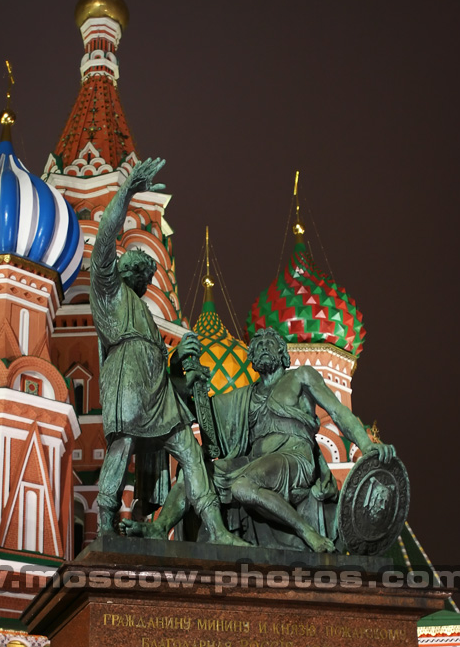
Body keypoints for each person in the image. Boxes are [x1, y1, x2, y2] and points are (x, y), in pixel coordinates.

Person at [123, 326, 396, 552]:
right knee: (194, 472)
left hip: (294, 458)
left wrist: (367, 444)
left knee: (243, 486)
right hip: (255, 461)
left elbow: (338, 412)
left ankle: (307, 532)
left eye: (269, 343)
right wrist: (178, 369)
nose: (263, 347)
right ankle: (159, 527)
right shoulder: (246, 396)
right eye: (257, 344)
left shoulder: (301, 377)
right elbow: (197, 413)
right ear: (251, 358)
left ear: (283, 353)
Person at [90, 156, 243, 546]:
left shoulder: (142, 310)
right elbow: (105, 238)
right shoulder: (108, 292)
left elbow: (164, 360)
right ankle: (105, 522)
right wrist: (126, 191)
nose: (146, 274)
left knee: (189, 451)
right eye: (140, 267)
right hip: (126, 378)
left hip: (157, 387)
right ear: (126, 270)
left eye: (147, 270)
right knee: (122, 446)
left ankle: (218, 530)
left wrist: (182, 359)